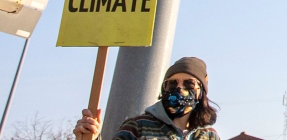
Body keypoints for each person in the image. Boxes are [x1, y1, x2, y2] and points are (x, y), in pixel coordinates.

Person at [73, 57, 219, 140]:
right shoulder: (137, 126)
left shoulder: (210, 136)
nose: (179, 88)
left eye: (189, 83)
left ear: (201, 92)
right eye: (172, 83)